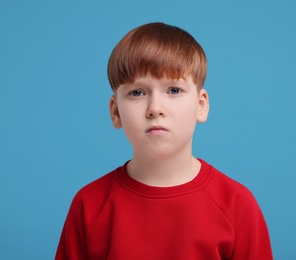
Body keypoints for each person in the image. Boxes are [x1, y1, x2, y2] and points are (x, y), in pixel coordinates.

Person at [55, 22, 273, 260]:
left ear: (201, 105)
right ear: (116, 112)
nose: (155, 108)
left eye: (173, 90)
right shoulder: (89, 205)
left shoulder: (237, 205)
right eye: (137, 92)